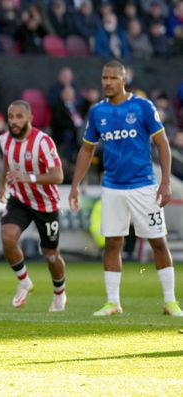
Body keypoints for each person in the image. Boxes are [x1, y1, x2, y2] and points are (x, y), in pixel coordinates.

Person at [69, 60, 182, 317]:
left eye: (112, 78)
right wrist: (75, 184)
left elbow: (163, 144)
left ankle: (170, 301)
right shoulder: (98, 112)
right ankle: (113, 302)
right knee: (112, 243)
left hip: (143, 185)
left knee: (158, 241)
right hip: (112, 187)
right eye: (104, 78)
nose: (107, 82)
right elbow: (87, 149)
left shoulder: (142, 107)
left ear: (123, 80)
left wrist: (164, 181)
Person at [0, 100, 66, 312]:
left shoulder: (43, 142)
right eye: (11, 116)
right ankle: (24, 281)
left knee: (50, 254)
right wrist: (2, 185)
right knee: (7, 238)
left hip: (46, 204)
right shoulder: (4, 139)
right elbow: (8, 161)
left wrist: (29, 177)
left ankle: (59, 293)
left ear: (29, 118)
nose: (14, 121)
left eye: (19, 116)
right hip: (20, 199)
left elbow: (58, 175)